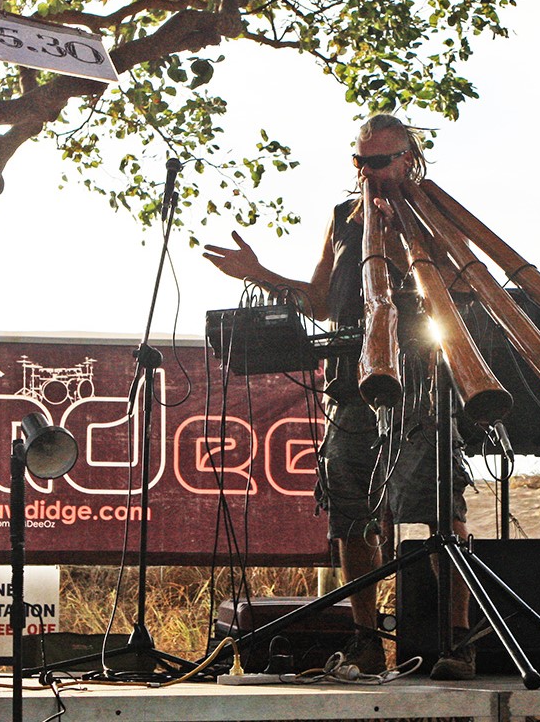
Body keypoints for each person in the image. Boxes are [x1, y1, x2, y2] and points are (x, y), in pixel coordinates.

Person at [203, 114, 477, 680]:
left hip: (422, 382)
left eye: (379, 162)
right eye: (359, 161)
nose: (367, 172)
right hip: (352, 384)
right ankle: (367, 641)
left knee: (438, 516)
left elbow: (459, 292)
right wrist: (258, 271)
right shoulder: (342, 218)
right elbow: (322, 301)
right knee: (350, 516)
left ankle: (457, 642)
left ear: (408, 160)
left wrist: (400, 247)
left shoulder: (437, 212)